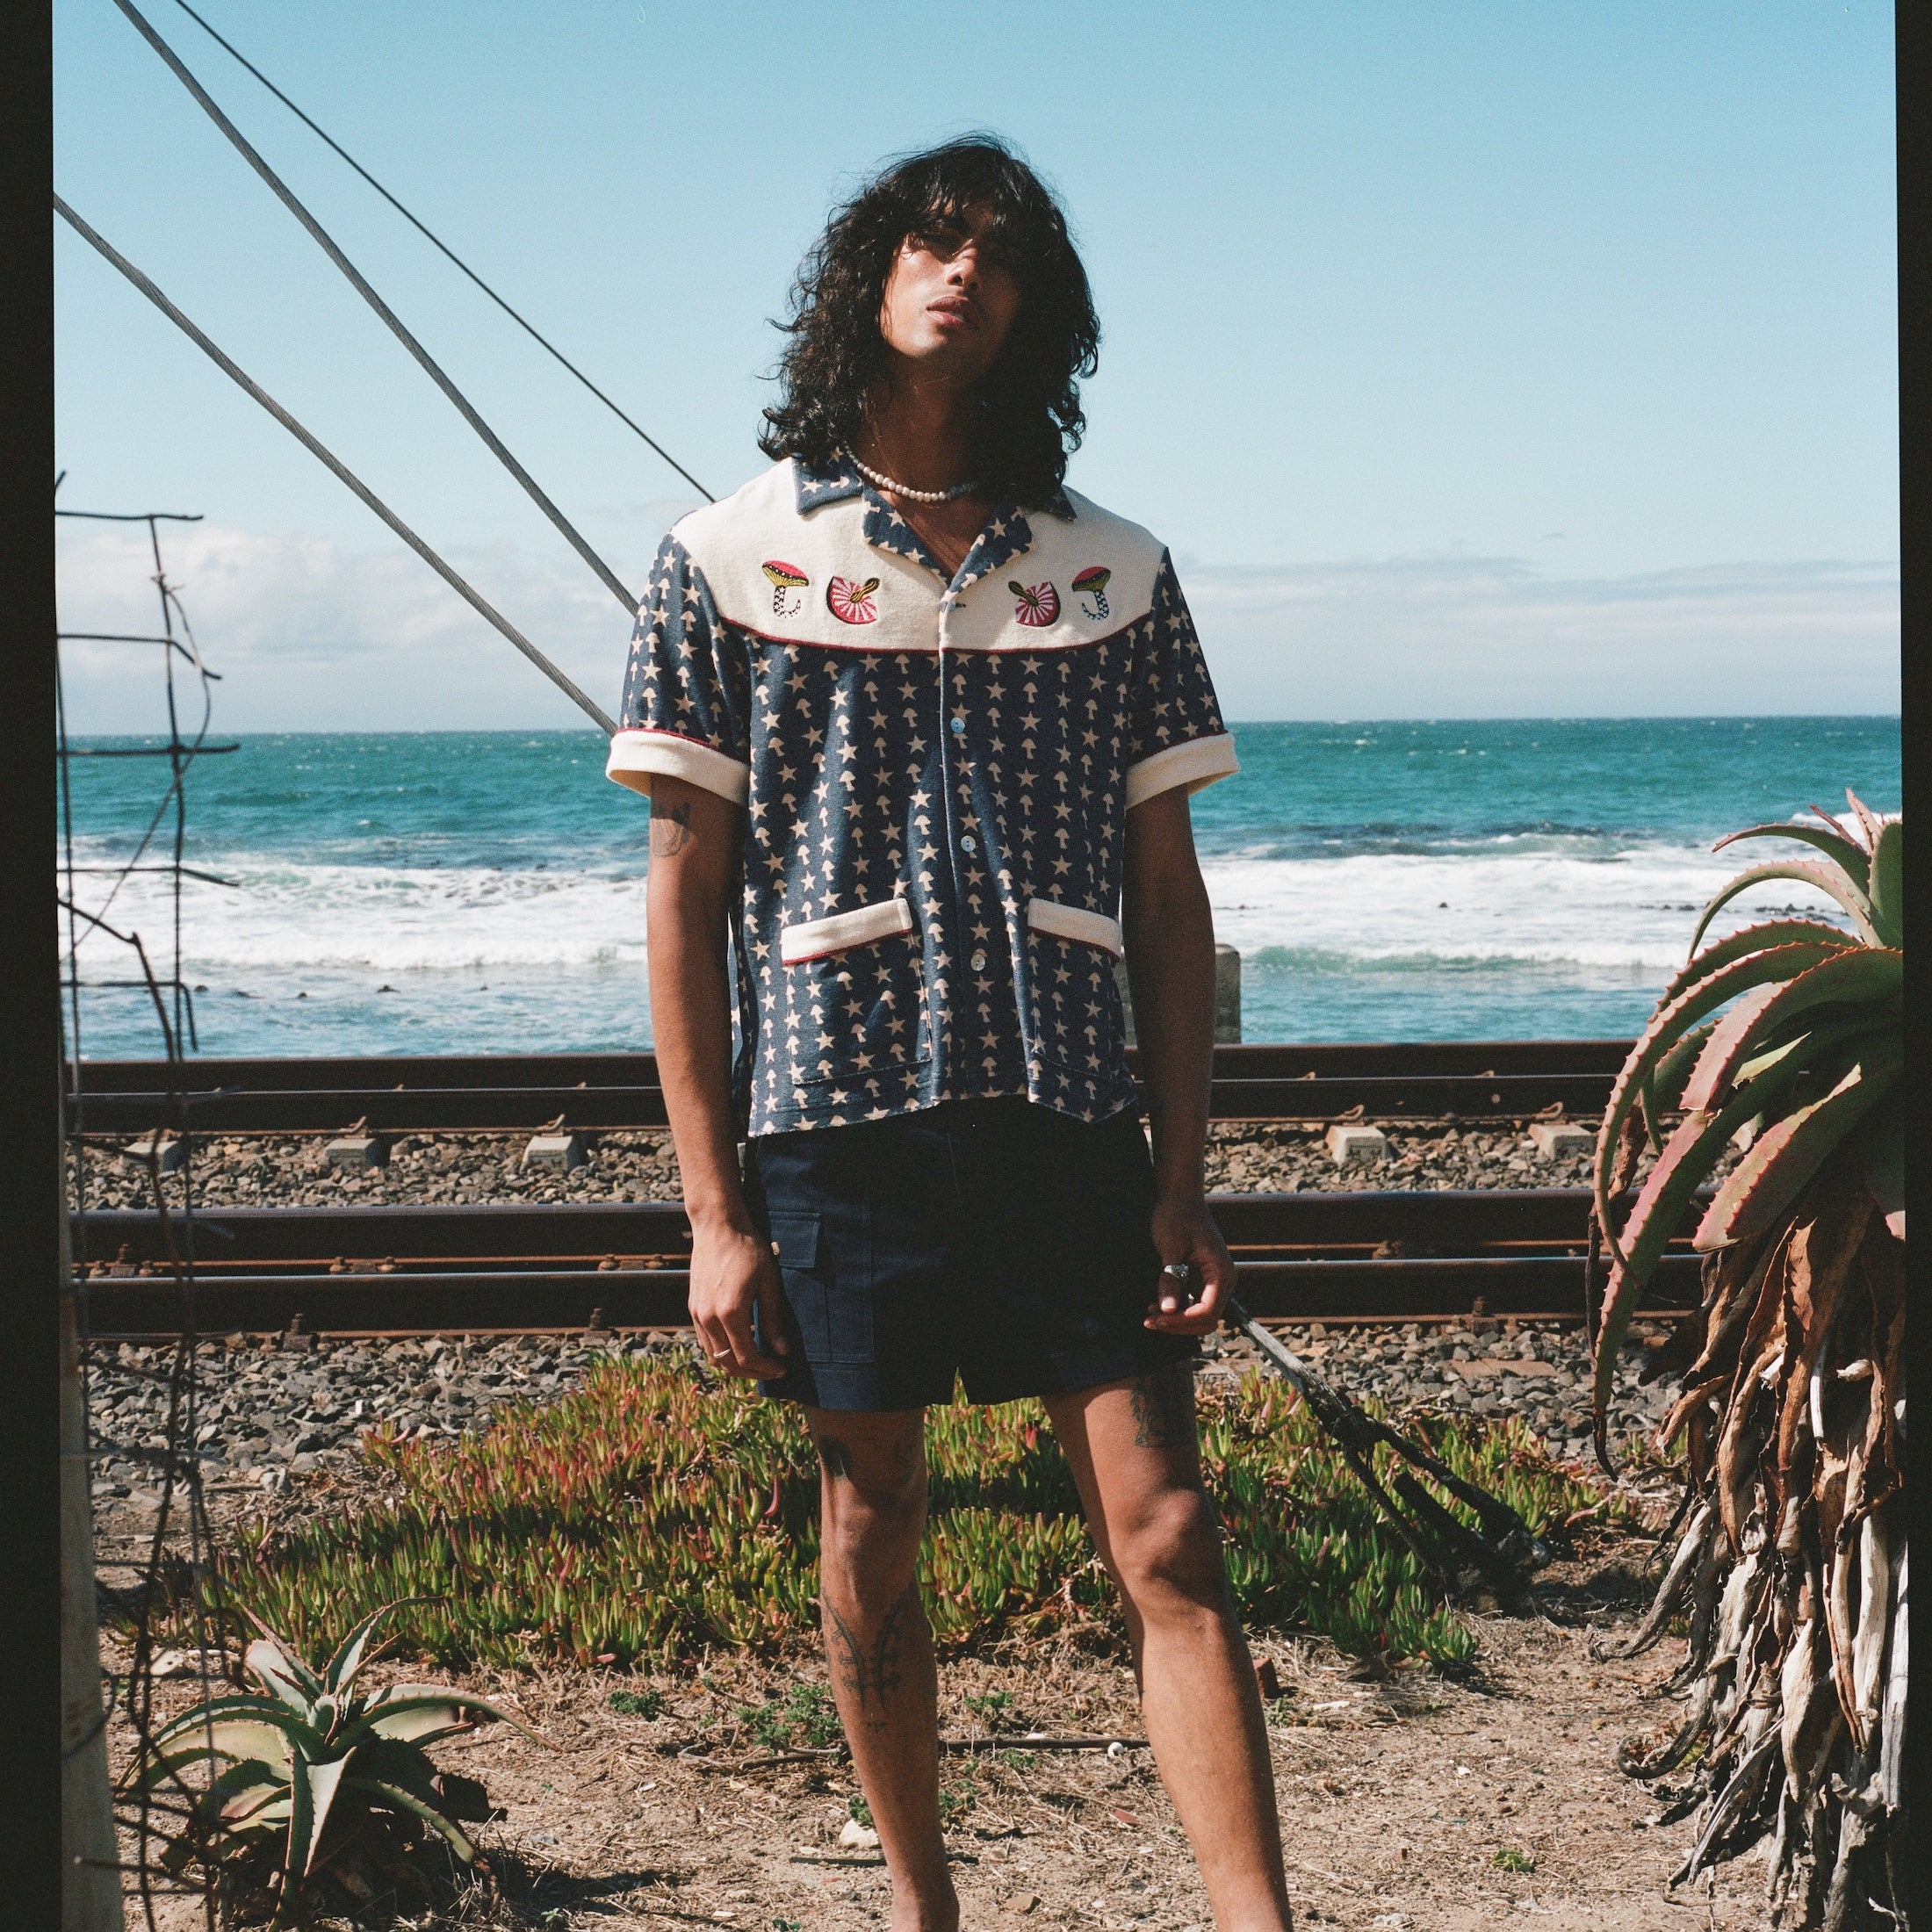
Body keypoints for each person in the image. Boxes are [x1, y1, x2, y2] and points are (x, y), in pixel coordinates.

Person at [609, 135, 1295, 1932]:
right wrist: (710, 1212)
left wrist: (1182, 1175)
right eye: (931, 239)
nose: (958, 272)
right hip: (835, 1126)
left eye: (995, 254)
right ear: (869, 275)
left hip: (1070, 1125)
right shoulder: (723, 559)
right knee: (871, 1530)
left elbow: (1169, 896)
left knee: (1165, 1533)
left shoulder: (1112, 571)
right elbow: (681, 899)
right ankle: (922, 1905)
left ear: (1028, 313)